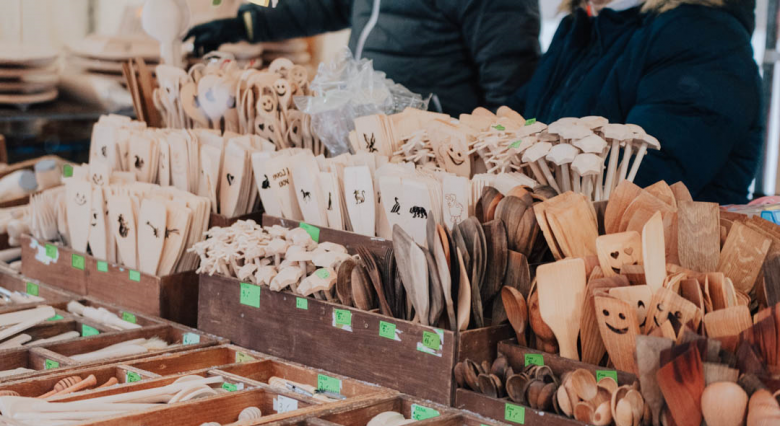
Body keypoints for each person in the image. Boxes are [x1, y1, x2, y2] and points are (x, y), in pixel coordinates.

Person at [507, 0, 763, 204]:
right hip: (567, 254)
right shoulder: (580, 25)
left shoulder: (702, 34)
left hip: (655, 262)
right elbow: (521, 121)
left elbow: (639, 182)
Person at [184, 0, 541, 116]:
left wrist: (496, 161)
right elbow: (326, 5)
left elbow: (510, 77)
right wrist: (245, 24)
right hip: (365, 138)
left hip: (437, 153)